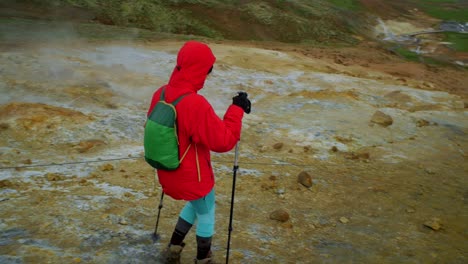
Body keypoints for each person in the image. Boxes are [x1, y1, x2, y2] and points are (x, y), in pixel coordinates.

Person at [146, 41, 251, 263]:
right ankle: (204, 259)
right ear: (201, 70)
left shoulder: (161, 92)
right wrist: (237, 109)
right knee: (206, 212)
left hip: (166, 170)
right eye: (208, 70)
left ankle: (174, 248)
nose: (208, 74)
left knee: (196, 205)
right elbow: (224, 141)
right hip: (193, 176)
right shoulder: (195, 103)